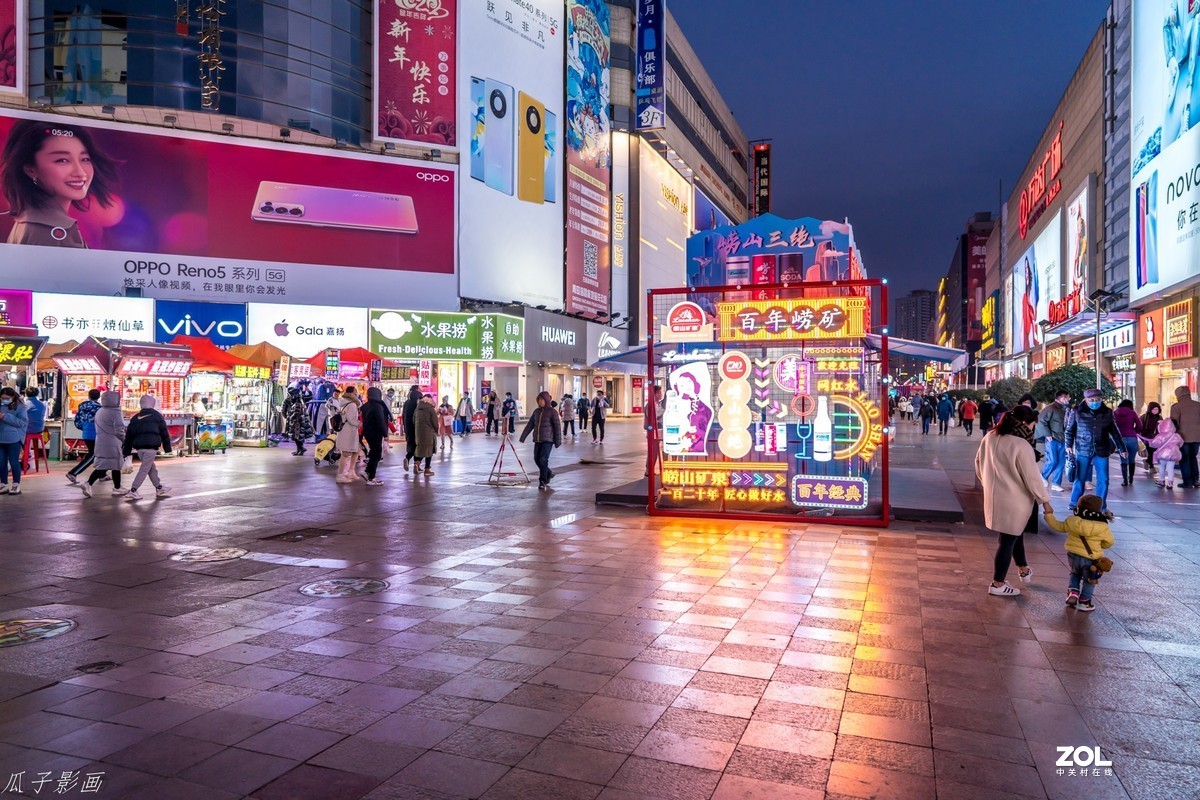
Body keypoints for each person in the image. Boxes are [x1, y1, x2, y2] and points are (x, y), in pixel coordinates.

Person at [1, 120, 118, 248]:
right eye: (62, 160)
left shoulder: (31, 222)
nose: (80, 172)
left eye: (85, 159)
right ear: (30, 169)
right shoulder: (48, 231)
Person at [975, 406, 1049, 597]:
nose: (1033, 429)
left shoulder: (990, 437)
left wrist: (988, 483)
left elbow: (978, 463)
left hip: (995, 497)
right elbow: (1031, 477)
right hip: (1015, 499)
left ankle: (1023, 568)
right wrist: (1045, 501)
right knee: (1007, 540)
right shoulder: (1021, 444)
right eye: (1033, 424)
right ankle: (997, 583)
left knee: (1013, 534)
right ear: (1025, 423)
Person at [1042, 494, 1115, 612]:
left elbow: (1058, 526)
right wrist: (1100, 545)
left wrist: (1049, 515)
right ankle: (1084, 602)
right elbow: (1109, 542)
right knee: (1090, 579)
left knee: (1075, 573)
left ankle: (1073, 592)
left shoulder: (1072, 521)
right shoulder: (1102, 527)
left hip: (1073, 555)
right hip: (1091, 558)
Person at [1066, 388, 1122, 515]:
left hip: (1102, 450)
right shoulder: (1076, 411)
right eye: (1092, 400)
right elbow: (1069, 430)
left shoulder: (1107, 412)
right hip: (1083, 449)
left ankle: (1101, 505)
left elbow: (1114, 431)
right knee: (1080, 478)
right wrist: (1068, 445)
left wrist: (1122, 448)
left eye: (1098, 400)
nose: (1095, 402)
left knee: (1104, 479)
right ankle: (1074, 502)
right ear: (1086, 400)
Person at [121, 394, 172, 500]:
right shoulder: (157, 416)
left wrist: (126, 451)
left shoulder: (135, 417)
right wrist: (167, 448)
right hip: (151, 447)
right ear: (153, 403)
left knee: (151, 468)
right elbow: (164, 432)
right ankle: (133, 490)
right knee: (144, 469)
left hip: (139, 448)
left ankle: (159, 487)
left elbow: (129, 436)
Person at [81, 391, 126, 498]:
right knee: (112, 465)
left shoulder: (100, 411)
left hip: (100, 441)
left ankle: (117, 487)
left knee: (109, 465)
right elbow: (119, 429)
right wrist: (125, 440)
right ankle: (89, 483)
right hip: (112, 442)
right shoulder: (115, 412)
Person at [520, 391, 562, 489]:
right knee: (536, 459)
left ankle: (543, 480)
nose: (540, 402)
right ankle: (549, 473)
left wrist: (557, 441)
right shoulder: (536, 412)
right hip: (538, 439)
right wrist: (523, 437)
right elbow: (530, 425)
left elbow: (557, 427)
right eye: (539, 400)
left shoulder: (552, 412)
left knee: (543, 459)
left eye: (542, 399)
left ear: (546, 400)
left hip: (548, 439)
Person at [1035, 389, 1070, 492]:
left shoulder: (1065, 409)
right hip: (1053, 438)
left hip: (1063, 439)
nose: (1069, 399)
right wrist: (1047, 434)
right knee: (1053, 460)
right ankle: (1043, 476)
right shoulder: (1050, 408)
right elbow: (1040, 421)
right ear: (1063, 398)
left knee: (1061, 462)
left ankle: (1056, 483)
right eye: (1068, 397)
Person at [67, 388, 102, 483]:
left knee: (99, 454)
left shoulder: (82, 406)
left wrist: (84, 427)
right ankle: (73, 472)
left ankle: (102, 474)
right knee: (93, 455)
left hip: (86, 432)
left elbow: (77, 420)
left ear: (89, 396)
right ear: (99, 397)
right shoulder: (100, 408)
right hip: (96, 433)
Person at [1169, 385, 1200, 488]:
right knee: (1193, 457)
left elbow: (1174, 423)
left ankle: (1187, 481)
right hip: (1197, 437)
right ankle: (1195, 480)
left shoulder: (1176, 407)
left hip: (1183, 438)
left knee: (1184, 458)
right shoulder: (1198, 405)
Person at [0, 386, 29, 495]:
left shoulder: (21, 407)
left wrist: (5, 417)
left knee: (14, 462)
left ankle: (16, 484)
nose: (4, 400)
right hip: (1, 439)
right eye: (2, 398)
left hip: (14, 439)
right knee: (1, 462)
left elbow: (22, 422)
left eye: (7, 398)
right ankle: (3, 484)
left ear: (12, 397)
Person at [361, 387, 390, 486]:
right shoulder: (378, 406)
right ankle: (371, 477)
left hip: (368, 432)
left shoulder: (365, 406)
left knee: (373, 452)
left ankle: (368, 472)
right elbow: (380, 421)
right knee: (376, 454)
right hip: (376, 432)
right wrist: (385, 434)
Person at [1142, 418, 1183, 489]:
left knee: (1162, 467)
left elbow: (1155, 444)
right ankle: (1170, 483)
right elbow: (1181, 443)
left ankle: (1162, 481)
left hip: (1163, 454)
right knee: (1170, 468)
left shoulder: (1160, 435)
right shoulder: (1176, 435)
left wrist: (1150, 443)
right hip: (1173, 454)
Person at [334, 386, 362, 484]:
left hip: (345, 430)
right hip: (349, 431)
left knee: (356, 450)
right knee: (345, 453)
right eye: (355, 392)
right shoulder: (352, 405)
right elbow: (351, 419)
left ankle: (351, 471)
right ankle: (340, 475)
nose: (357, 394)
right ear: (352, 394)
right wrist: (360, 424)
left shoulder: (343, 402)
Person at [1112, 399, 1143, 487]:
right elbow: (1140, 425)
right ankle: (1131, 479)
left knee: (1123, 459)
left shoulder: (1115, 413)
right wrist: (1134, 431)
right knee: (1132, 459)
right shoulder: (1132, 413)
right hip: (1132, 438)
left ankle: (1125, 480)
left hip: (1120, 438)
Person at [21, 387, 46, 472]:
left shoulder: (25, 405)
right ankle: (25, 455)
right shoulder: (42, 404)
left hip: (28, 430)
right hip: (39, 429)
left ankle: (24, 455)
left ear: (26, 394)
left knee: (15, 435)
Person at [283, 387, 312, 456]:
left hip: (297, 421)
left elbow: (284, 410)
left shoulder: (299, 399)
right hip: (298, 420)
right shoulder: (299, 399)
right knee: (297, 436)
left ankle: (300, 449)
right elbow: (284, 409)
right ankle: (300, 449)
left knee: (298, 436)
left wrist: (287, 417)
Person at [413, 394, 438, 476]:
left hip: (419, 433)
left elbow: (413, 420)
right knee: (429, 451)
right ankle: (427, 470)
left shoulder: (417, 409)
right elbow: (435, 422)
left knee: (421, 449)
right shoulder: (431, 409)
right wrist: (436, 430)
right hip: (429, 433)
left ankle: (417, 463)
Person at [1141, 401, 1163, 477]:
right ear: (1150, 409)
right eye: (1154, 409)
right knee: (1151, 452)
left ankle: (1147, 462)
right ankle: (1151, 466)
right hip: (1146, 438)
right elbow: (1141, 427)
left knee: (1154, 452)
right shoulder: (1144, 417)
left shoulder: (1160, 418)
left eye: (1157, 409)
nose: (1155, 410)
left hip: (1156, 438)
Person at [402, 385, 421, 469]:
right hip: (416, 428)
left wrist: (405, 426)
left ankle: (407, 458)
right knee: (418, 446)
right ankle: (416, 465)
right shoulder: (418, 403)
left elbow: (403, 415)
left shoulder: (407, 403)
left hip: (408, 427)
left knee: (411, 444)